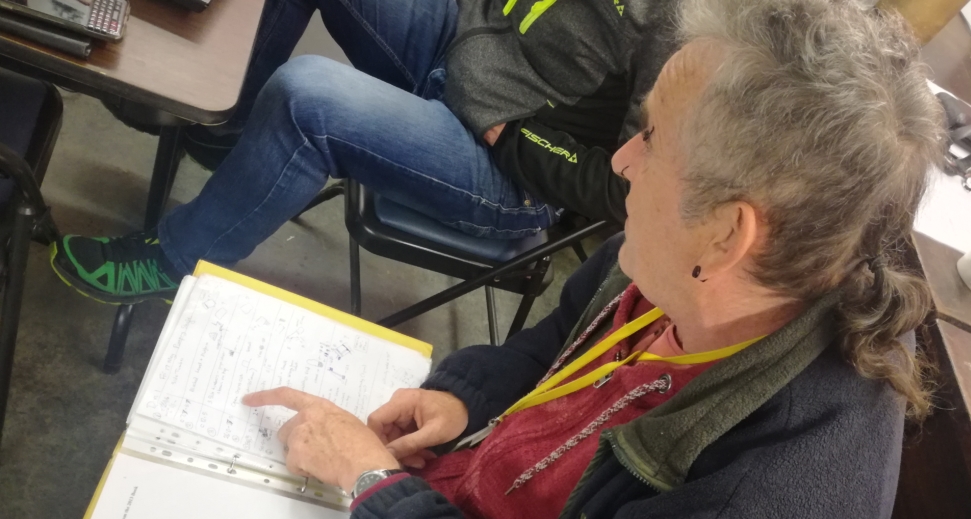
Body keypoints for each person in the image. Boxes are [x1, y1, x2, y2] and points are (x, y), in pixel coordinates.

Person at [233, 1, 947, 519]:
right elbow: (560, 334)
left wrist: (372, 483)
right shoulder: (724, 266)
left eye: (652, 137)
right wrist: (469, 395)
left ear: (727, 232)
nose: (622, 160)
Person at [49, 0, 677, 305]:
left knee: (308, 98)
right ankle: (227, 128)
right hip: (464, 50)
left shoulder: (685, 23)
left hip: (507, 164)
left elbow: (632, 191)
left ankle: (177, 260)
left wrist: (510, 135)